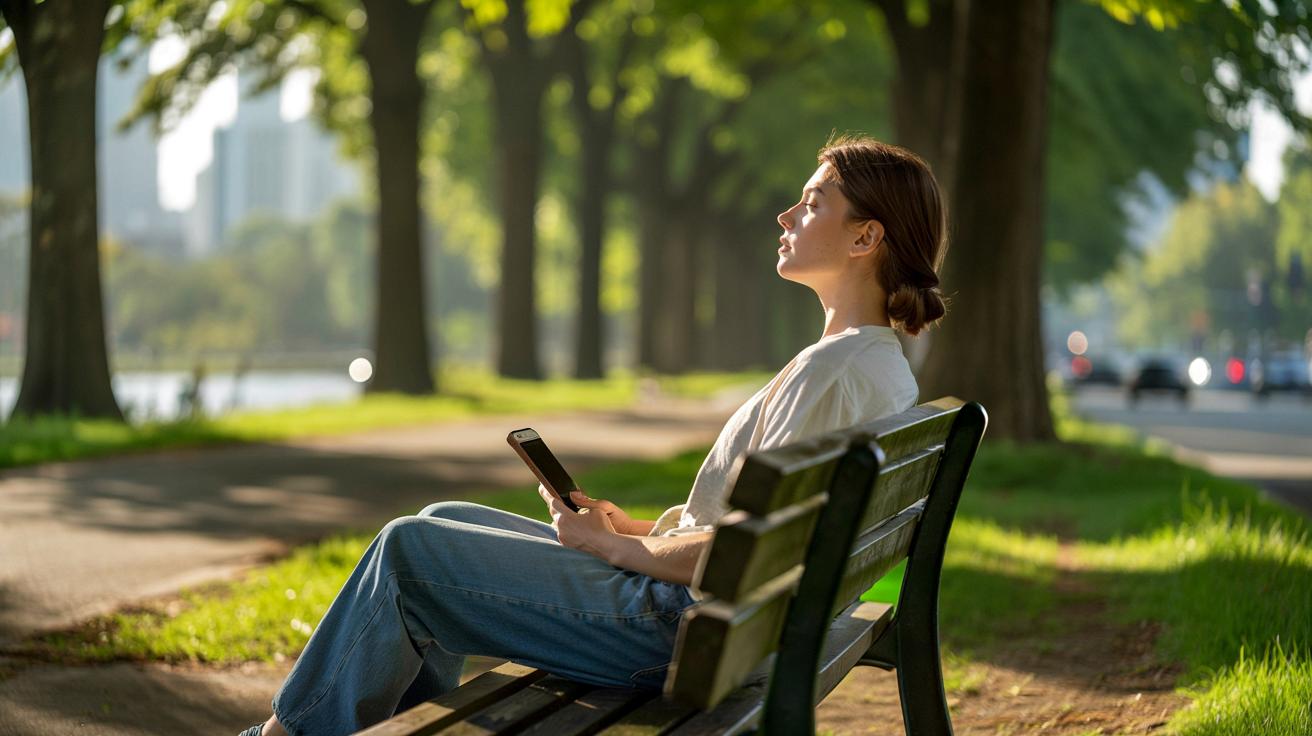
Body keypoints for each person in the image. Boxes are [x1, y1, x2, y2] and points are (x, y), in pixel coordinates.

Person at [240, 134, 948, 736]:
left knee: (408, 552)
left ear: (866, 236)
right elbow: (753, 537)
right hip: (725, 622)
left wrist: (613, 546)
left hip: (675, 633)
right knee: (441, 520)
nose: (786, 213)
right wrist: (629, 527)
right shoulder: (873, 365)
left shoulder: (833, 372)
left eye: (814, 201)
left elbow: (749, 553)